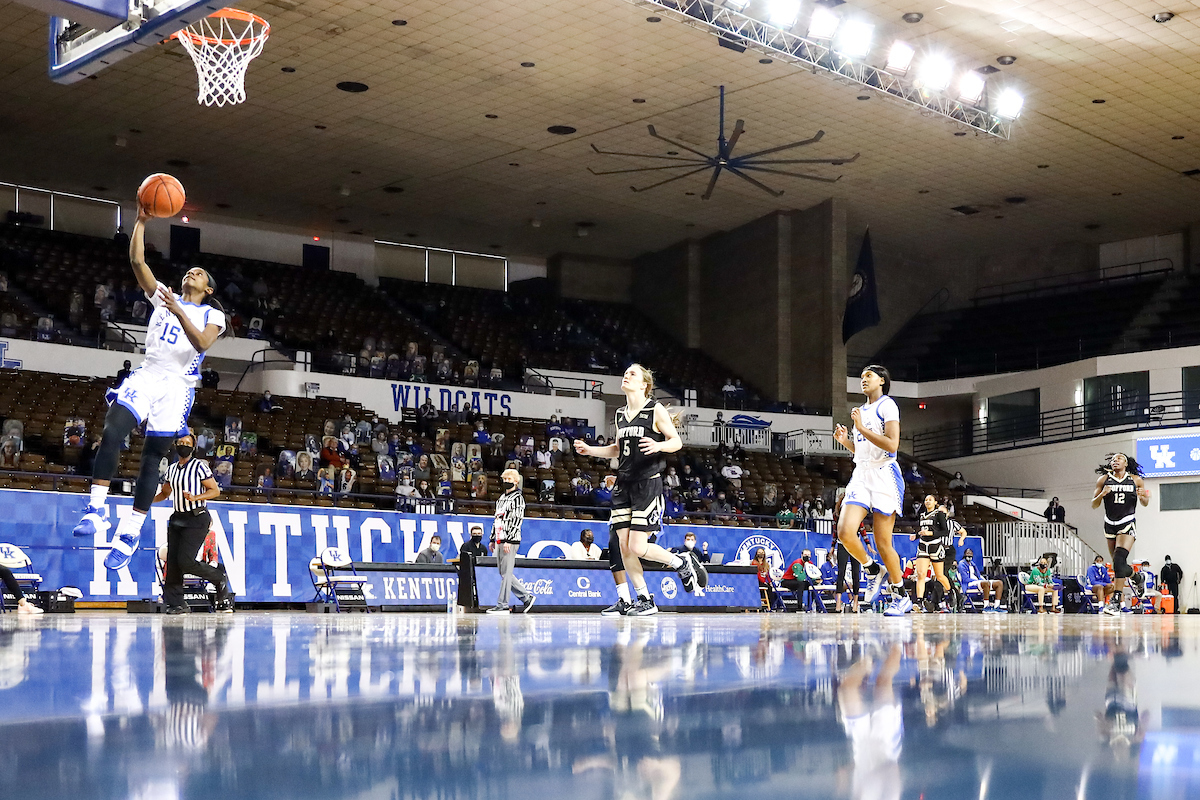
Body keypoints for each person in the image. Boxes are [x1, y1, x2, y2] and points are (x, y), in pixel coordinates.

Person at [72, 207, 228, 572]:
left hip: (177, 385)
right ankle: (96, 509)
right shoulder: (163, 296)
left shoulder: (212, 314)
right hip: (148, 373)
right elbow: (137, 262)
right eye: (190, 270)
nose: (191, 273)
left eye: (199, 274)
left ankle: (130, 531)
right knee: (113, 430)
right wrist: (141, 222)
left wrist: (178, 310)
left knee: (151, 460)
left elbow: (203, 343)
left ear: (207, 289)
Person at [574, 363, 704, 617]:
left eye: (632, 374)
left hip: (647, 483)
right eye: (625, 373)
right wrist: (590, 450)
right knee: (623, 548)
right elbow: (616, 449)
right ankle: (645, 599)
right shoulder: (620, 414)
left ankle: (680, 561)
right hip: (623, 484)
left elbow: (676, 441)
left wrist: (658, 446)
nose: (626, 376)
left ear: (644, 384)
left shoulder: (654, 409)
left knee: (637, 547)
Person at [834, 365, 907, 616]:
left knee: (883, 542)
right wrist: (846, 441)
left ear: (882, 381)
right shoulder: (861, 410)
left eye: (869, 376)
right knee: (845, 531)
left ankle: (901, 595)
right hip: (862, 474)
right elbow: (864, 450)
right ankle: (873, 569)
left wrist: (862, 428)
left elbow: (892, 445)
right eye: (862, 377)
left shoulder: (888, 405)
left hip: (885, 473)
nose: (863, 380)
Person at [151, 432, 233, 614]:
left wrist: (196, 497)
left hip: (197, 517)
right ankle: (176, 603)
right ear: (175, 445)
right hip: (177, 518)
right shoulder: (171, 469)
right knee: (173, 562)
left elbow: (215, 491)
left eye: (187, 443)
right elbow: (165, 493)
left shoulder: (199, 466)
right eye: (181, 442)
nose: (184, 445)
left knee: (186, 561)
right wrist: (148, 500)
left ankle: (218, 577)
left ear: (193, 447)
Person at [1092, 452, 1150, 616]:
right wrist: (1102, 495)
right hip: (1110, 523)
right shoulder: (1103, 480)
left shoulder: (1135, 480)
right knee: (1118, 565)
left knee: (1119, 559)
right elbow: (1094, 504)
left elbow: (1145, 503)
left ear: (1126, 463)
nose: (1115, 461)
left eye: (1119, 458)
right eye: (1112, 459)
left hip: (1127, 522)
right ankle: (1137, 578)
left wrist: (1143, 497)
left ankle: (1116, 601)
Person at [487, 468, 535, 614]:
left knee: (506, 573)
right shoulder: (502, 498)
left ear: (516, 481)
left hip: (510, 540)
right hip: (500, 538)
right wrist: (492, 538)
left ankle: (502, 604)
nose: (506, 481)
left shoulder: (518, 499)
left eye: (509, 479)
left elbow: (516, 520)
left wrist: (509, 539)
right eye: (505, 479)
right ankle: (526, 597)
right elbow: (497, 519)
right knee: (504, 572)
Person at [910, 495, 952, 612]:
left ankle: (950, 592)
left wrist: (931, 533)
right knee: (921, 574)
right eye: (926, 500)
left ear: (935, 502)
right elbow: (923, 529)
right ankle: (919, 601)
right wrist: (916, 535)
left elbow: (945, 532)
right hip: (923, 546)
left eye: (930, 500)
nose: (928, 501)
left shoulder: (939, 514)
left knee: (939, 575)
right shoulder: (922, 515)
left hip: (935, 546)